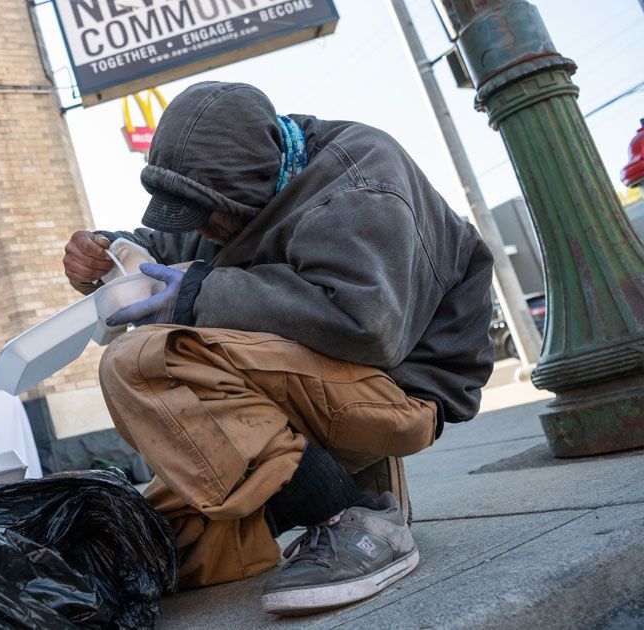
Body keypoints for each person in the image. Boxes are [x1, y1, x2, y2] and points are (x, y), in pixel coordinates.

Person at [63, 82, 494, 615]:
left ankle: (355, 519)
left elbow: (369, 327)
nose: (200, 229)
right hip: (308, 386)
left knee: (150, 359)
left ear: (256, 182)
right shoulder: (237, 192)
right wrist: (107, 254)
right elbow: (163, 249)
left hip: (399, 389)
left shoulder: (360, 181)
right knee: (158, 547)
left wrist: (197, 294)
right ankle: (332, 483)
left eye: (206, 214)